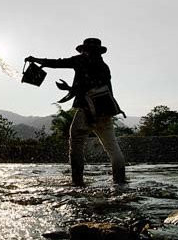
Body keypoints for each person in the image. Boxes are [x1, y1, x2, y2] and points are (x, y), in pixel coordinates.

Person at [26, 38, 127, 186]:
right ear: (99, 51)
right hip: (105, 111)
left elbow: (58, 63)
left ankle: (77, 182)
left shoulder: (80, 60)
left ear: (84, 49)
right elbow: (104, 90)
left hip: (86, 108)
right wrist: (69, 88)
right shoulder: (104, 67)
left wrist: (36, 60)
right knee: (112, 148)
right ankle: (120, 181)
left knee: (76, 142)